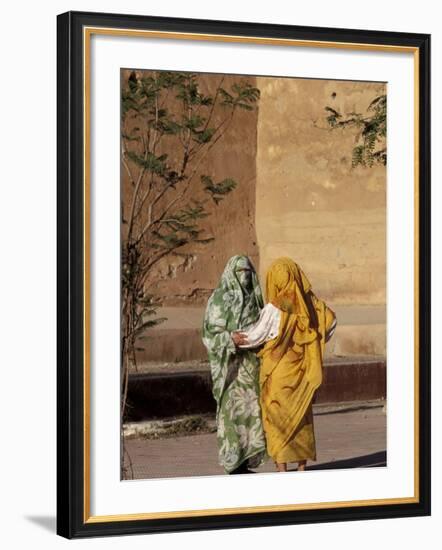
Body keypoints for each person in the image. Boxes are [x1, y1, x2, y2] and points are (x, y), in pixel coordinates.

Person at [232, 257, 336, 472]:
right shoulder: (312, 304)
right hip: (303, 372)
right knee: (301, 418)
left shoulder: (276, 307)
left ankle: (282, 468)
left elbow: (257, 336)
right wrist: (315, 342)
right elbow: (331, 322)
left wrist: (236, 338)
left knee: (277, 419)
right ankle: (301, 467)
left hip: (278, 373)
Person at [202, 255, 267, 475]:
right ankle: (233, 465)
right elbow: (209, 335)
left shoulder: (255, 298)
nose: (246, 277)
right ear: (232, 273)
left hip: (251, 367)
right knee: (231, 415)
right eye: (241, 272)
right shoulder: (219, 299)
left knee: (251, 413)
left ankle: (245, 463)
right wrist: (230, 339)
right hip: (229, 370)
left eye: (248, 272)